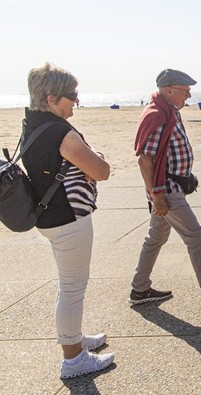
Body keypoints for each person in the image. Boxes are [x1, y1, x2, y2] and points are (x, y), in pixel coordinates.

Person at [22, 63, 114, 378]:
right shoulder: (61, 131)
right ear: (51, 99)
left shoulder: (31, 123)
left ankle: (73, 339)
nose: (76, 100)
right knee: (73, 288)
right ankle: (74, 359)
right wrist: (97, 158)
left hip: (49, 217)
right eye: (71, 95)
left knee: (69, 286)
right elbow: (101, 171)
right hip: (68, 218)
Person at [131, 68, 201, 309]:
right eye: (185, 91)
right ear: (169, 90)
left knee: (156, 237)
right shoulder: (157, 114)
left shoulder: (167, 110)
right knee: (196, 237)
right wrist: (157, 195)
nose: (189, 96)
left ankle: (140, 289)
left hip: (170, 186)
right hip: (166, 189)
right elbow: (145, 159)